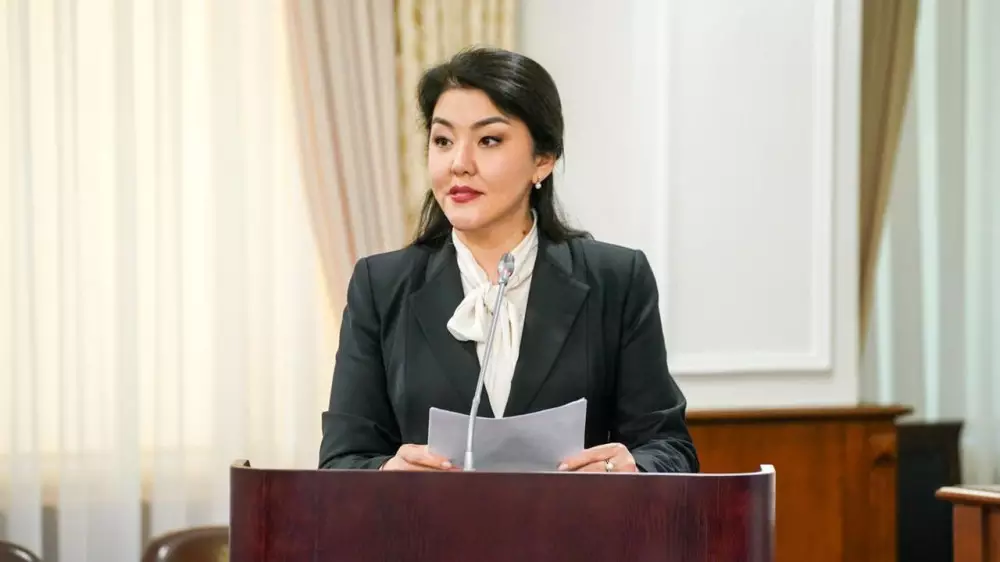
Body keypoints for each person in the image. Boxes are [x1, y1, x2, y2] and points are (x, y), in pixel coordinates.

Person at [319, 46, 699, 474]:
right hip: (423, 521)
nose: (459, 164)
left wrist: (625, 470)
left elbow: (670, 450)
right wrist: (387, 474)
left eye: (489, 140)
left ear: (543, 160)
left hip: (576, 521)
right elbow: (341, 462)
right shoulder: (381, 286)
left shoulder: (616, 280)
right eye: (443, 141)